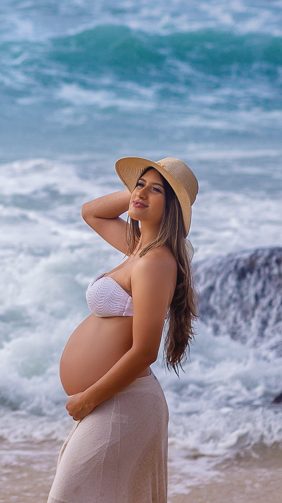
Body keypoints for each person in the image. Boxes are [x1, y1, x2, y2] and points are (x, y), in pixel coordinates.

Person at [47, 156, 199, 503]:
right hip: (112, 403)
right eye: (139, 184)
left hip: (122, 404)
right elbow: (92, 212)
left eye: (156, 190)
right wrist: (141, 192)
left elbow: (146, 350)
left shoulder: (156, 261)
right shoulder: (138, 250)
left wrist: (88, 398)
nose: (141, 193)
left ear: (172, 207)